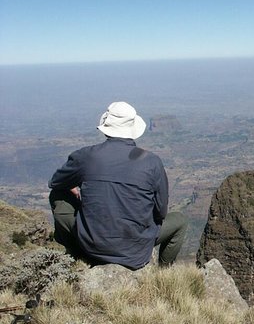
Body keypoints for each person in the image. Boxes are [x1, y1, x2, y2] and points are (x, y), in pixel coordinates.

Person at [49, 101, 187, 269]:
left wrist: (73, 187)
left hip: (91, 247)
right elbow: (161, 211)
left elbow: (55, 183)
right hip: (136, 252)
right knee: (180, 221)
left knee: (58, 195)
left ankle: (75, 252)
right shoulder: (152, 162)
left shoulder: (85, 156)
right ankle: (164, 271)